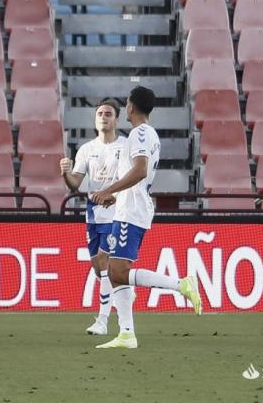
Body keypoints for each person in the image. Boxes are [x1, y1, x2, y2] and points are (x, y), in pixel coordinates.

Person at [90, 86, 202, 350]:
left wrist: (108, 190)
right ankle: (126, 333)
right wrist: (115, 196)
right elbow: (138, 175)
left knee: (117, 271)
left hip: (132, 210)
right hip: (127, 206)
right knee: (116, 273)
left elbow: (140, 171)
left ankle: (182, 284)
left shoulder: (140, 133)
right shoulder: (147, 134)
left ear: (130, 107)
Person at [60, 100, 133, 336]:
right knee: (98, 269)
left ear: (117, 120)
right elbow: (75, 184)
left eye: (108, 114)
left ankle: (102, 321)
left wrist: (115, 194)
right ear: (95, 119)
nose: (103, 117)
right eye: (100, 113)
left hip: (117, 211)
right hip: (93, 213)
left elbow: (132, 178)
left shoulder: (125, 146)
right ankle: (124, 291)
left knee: (104, 262)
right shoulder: (87, 149)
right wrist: (65, 172)